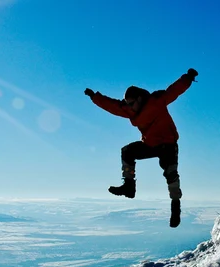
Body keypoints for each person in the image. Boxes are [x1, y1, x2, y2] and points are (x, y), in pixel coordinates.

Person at [84, 68, 198, 228]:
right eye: (128, 104)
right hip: (150, 144)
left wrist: (188, 77)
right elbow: (113, 106)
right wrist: (94, 97)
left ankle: (175, 208)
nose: (130, 107)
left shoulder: (156, 101)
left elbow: (174, 91)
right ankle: (129, 187)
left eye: (131, 103)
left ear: (139, 98)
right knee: (127, 151)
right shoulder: (130, 110)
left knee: (171, 174)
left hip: (168, 145)